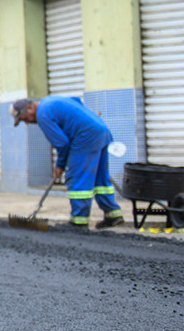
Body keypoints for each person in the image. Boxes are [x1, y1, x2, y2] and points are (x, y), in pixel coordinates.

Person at [10, 97, 124, 231]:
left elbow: (62, 143)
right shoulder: (50, 100)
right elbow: (77, 101)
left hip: (85, 136)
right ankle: (113, 214)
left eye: (24, 119)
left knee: (77, 179)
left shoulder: (42, 115)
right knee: (100, 178)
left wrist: (60, 165)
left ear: (29, 108)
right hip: (101, 131)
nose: (27, 122)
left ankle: (79, 221)